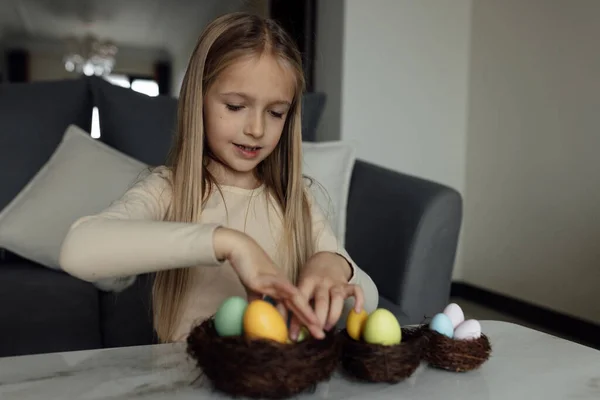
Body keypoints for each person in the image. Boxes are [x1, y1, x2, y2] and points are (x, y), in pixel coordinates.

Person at [59, 12, 379, 344]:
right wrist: (230, 243)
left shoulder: (294, 199)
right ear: (199, 100)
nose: (256, 129)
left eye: (275, 113)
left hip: (278, 384)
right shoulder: (168, 189)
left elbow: (366, 299)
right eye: (236, 106)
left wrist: (333, 264)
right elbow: (77, 250)